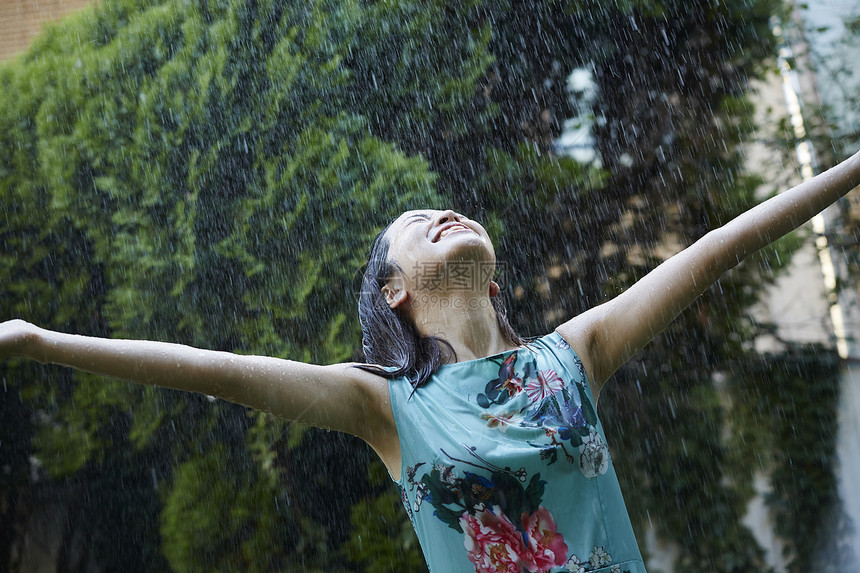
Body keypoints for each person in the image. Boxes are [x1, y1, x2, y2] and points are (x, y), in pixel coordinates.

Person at [2, 150, 859, 573]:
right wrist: (38, 340)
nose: (443, 210)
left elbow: (721, 243)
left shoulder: (575, 353)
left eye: (446, 208)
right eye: (417, 223)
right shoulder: (386, 405)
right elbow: (208, 366)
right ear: (394, 292)